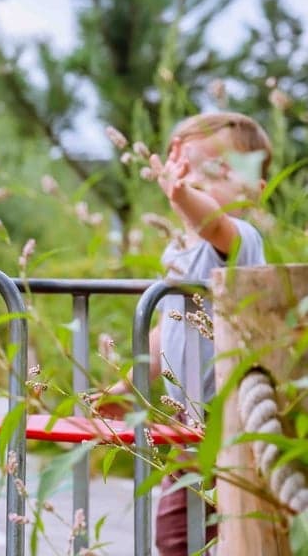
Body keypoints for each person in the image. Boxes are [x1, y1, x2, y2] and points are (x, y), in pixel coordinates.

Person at [97, 111, 271, 556]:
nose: (199, 187)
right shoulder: (180, 251)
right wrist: (130, 382)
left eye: (221, 173)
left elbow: (213, 222)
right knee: (178, 535)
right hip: (187, 424)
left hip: (229, 423)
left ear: (257, 190)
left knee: (202, 535)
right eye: (195, 172)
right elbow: (167, 327)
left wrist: (178, 191)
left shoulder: (240, 239)